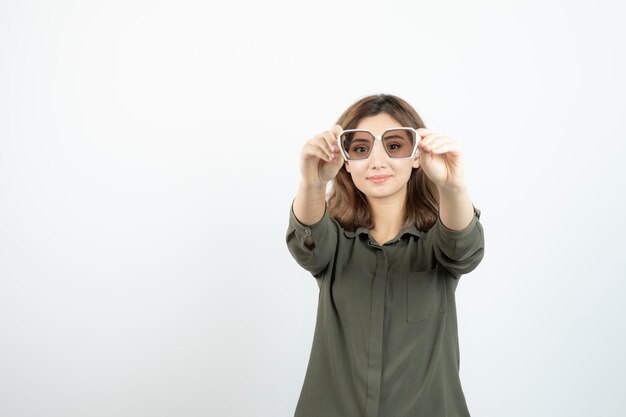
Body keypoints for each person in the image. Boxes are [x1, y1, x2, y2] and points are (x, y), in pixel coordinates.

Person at [285, 94, 485, 417]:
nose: (377, 162)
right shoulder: (335, 243)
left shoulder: (438, 241)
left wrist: (453, 186)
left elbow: (464, 248)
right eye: (361, 148)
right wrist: (311, 183)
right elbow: (307, 242)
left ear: (417, 156)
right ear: (346, 160)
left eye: (394, 146)